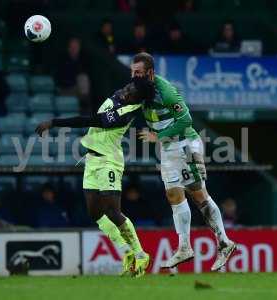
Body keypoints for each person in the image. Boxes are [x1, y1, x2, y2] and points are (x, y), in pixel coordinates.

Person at [36, 77, 155, 277]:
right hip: (92, 158)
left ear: (137, 97)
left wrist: (54, 122)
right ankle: (126, 252)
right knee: (95, 213)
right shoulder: (121, 94)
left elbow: (89, 120)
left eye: (131, 89)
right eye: (128, 84)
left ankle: (140, 253)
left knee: (112, 210)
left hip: (109, 161)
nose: (126, 88)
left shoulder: (126, 113)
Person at [132, 52, 236, 271]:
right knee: (173, 194)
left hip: (186, 145)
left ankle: (224, 242)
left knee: (198, 195)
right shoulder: (139, 90)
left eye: (139, 72)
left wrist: (157, 137)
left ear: (150, 73)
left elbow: (186, 119)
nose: (135, 76)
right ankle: (184, 247)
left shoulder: (166, 91)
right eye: (133, 72)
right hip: (169, 149)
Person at [56, 37, 91, 112]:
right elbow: (61, 78)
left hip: (78, 91)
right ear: (68, 48)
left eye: (76, 47)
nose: (74, 49)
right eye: (72, 47)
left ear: (79, 48)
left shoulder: (83, 60)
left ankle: (84, 108)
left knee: (83, 78)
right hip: (64, 89)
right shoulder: (62, 60)